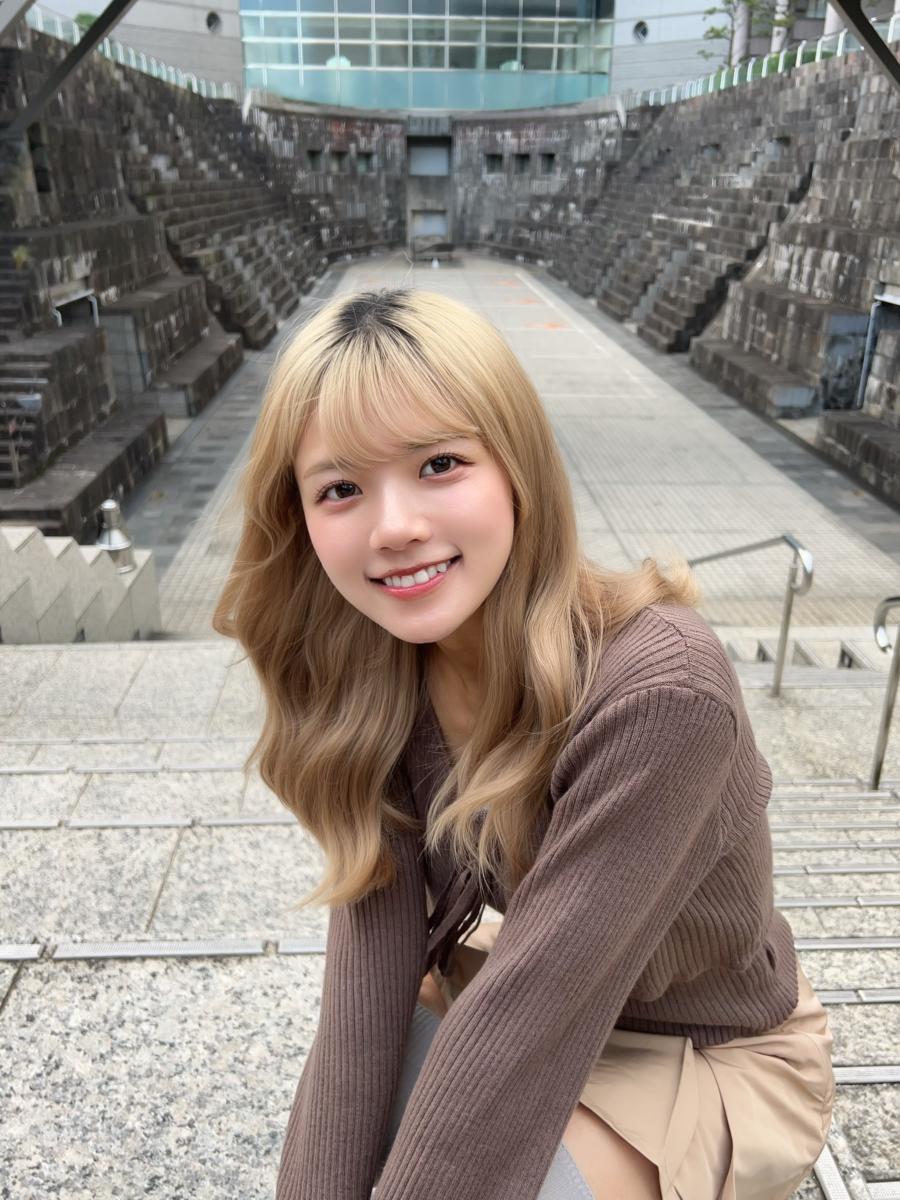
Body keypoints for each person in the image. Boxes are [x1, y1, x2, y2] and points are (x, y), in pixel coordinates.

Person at [213, 286, 835, 1200]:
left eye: (439, 464)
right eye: (340, 488)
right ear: (300, 519)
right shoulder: (381, 677)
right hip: (524, 988)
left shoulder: (662, 692)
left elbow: (524, 1033)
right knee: (362, 1107)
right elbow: (362, 1004)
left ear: (518, 466)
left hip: (708, 1050)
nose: (395, 528)